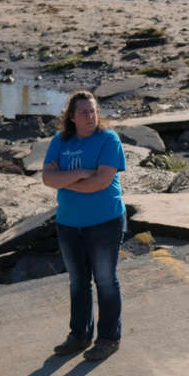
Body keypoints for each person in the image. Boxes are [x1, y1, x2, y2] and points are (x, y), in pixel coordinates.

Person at [42, 91, 127, 361]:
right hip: (68, 223)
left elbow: (100, 183)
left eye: (92, 111)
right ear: (71, 116)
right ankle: (79, 336)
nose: (90, 117)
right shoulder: (60, 140)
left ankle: (108, 338)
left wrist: (64, 179)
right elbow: (47, 178)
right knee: (78, 282)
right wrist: (79, 173)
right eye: (83, 112)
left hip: (105, 221)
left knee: (105, 280)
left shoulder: (108, 139)